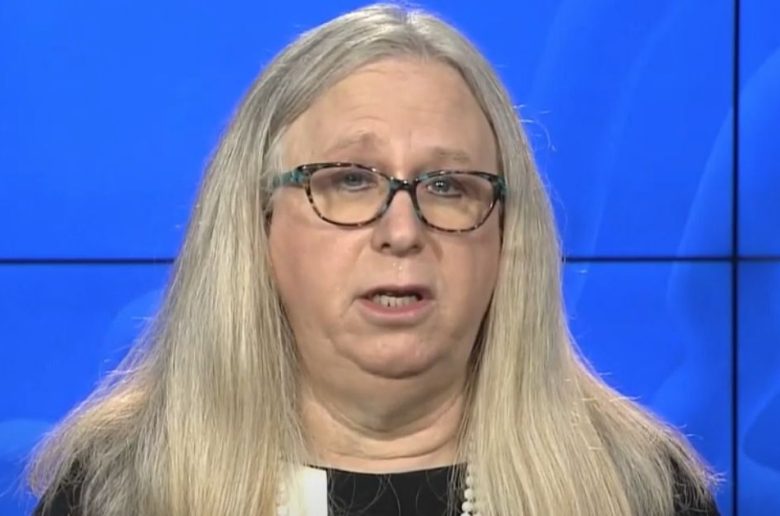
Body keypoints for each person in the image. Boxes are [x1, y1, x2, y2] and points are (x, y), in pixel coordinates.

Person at [28, 4, 720, 515]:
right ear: (257, 221)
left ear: (508, 236)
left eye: (448, 186)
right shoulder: (118, 488)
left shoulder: (638, 489)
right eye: (350, 180)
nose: (402, 230)